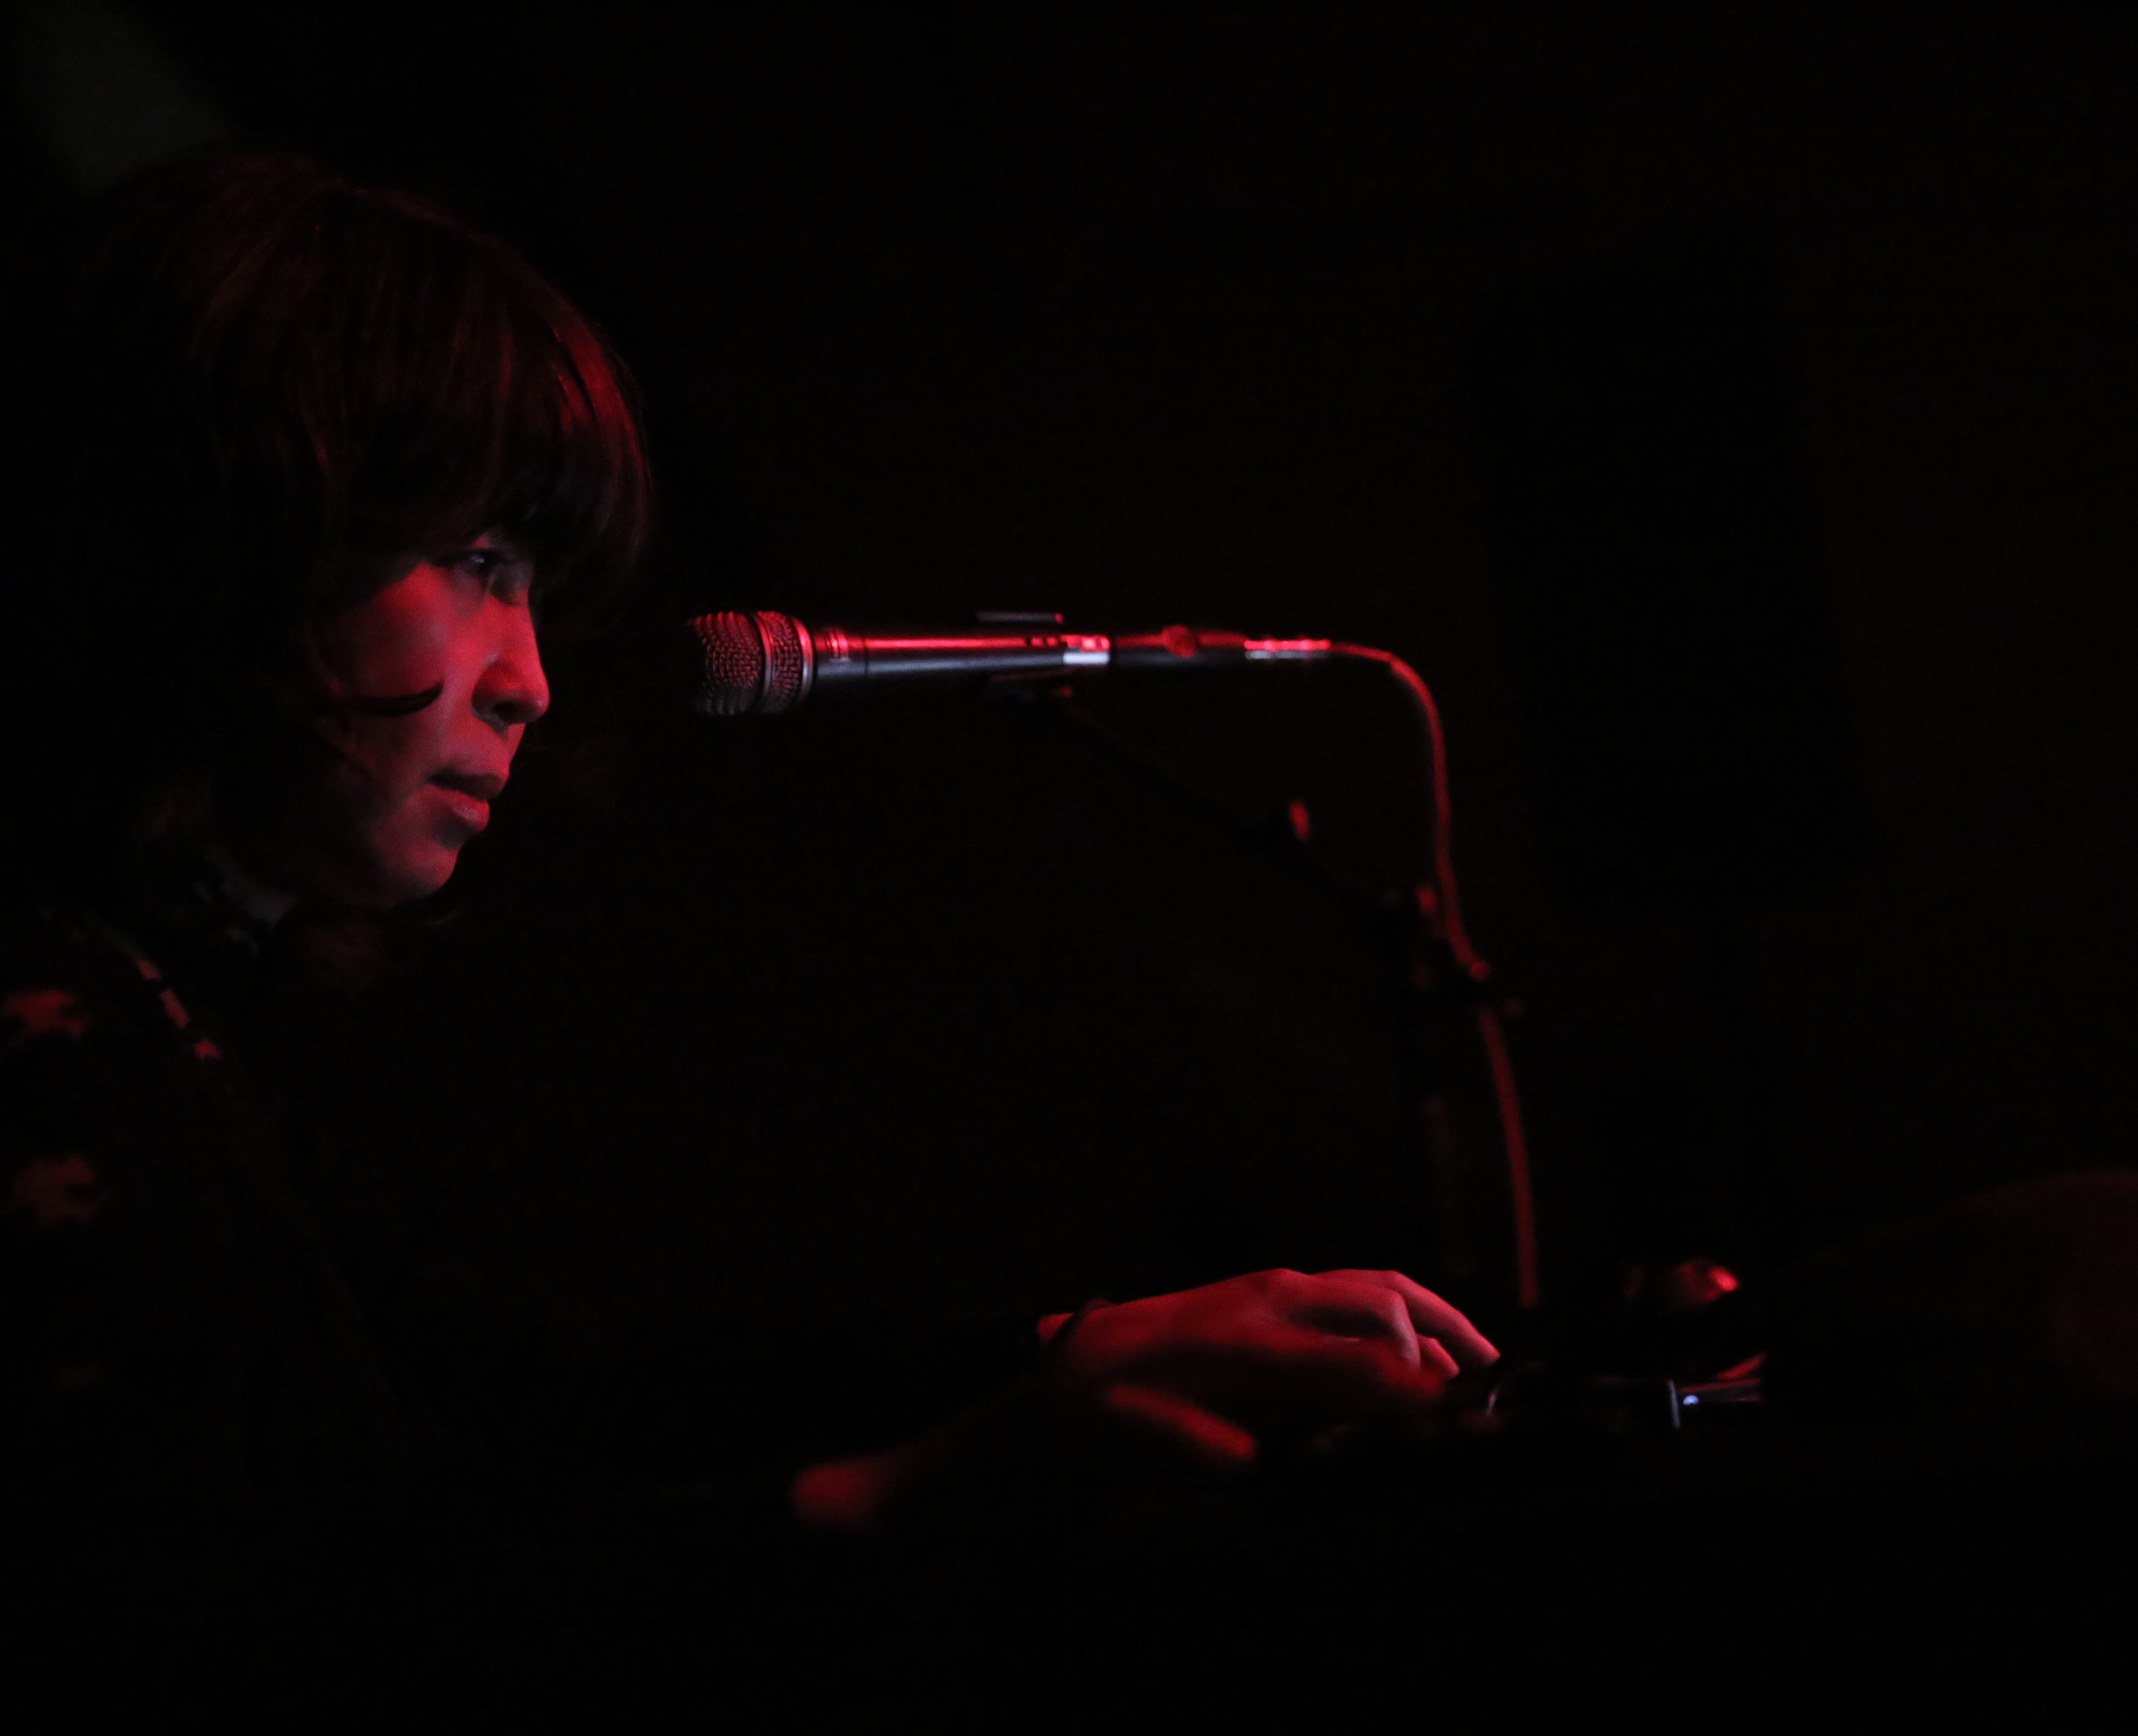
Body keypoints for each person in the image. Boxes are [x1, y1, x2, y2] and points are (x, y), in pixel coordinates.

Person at [0, 146, 1493, 1701]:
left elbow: (526, 1405)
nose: (530, 678)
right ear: (230, 537)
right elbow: (249, 1633)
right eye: (474, 562)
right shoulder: (52, 1026)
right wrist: (916, 1493)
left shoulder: (168, 1014)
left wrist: (1056, 1351)